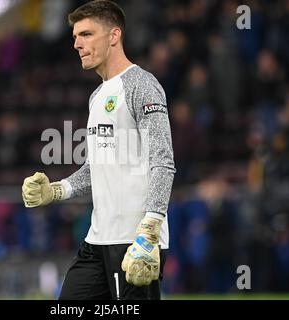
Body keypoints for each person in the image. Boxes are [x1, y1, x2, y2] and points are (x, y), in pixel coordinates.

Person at [22, 0, 176, 300]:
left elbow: (163, 160)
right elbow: (98, 167)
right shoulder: (97, 96)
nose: (77, 44)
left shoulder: (142, 85)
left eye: (87, 34)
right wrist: (56, 191)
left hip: (134, 240)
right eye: (76, 37)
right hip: (98, 239)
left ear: (114, 36)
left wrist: (151, 227)